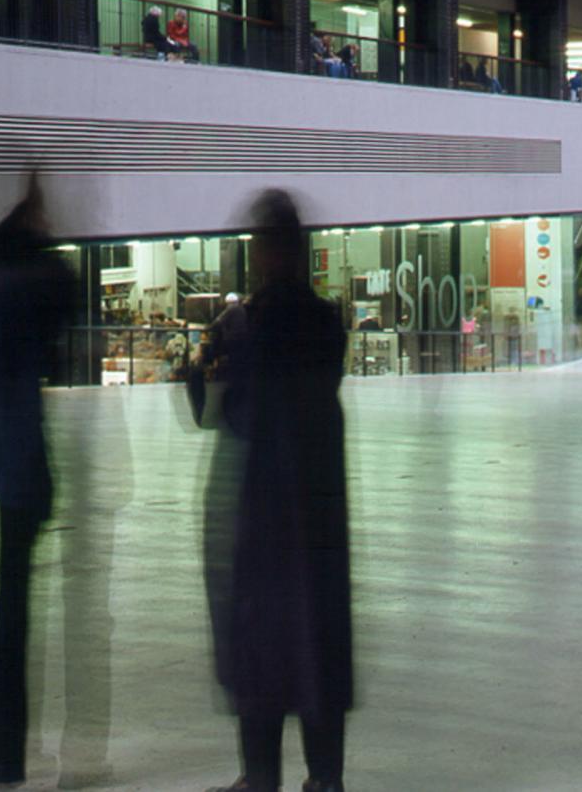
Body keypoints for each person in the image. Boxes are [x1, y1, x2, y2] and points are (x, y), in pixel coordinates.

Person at [197, 189, 351, 792]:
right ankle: (326, 778)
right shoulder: (325, 323)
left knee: (262, 651)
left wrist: (213, 368)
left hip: (265, 518)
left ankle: (260, 778)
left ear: (268, 250)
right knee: (318, 651)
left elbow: (230, 413)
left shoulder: (254, 327)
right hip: (317, 519)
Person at [0, 181, 76, 785]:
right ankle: (7, 747)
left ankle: (4, 746)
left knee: (11, 606)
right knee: (13, 612)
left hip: (9, 464)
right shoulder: (26, 281)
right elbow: (64, 297)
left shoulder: (0, 279)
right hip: (21, 465)